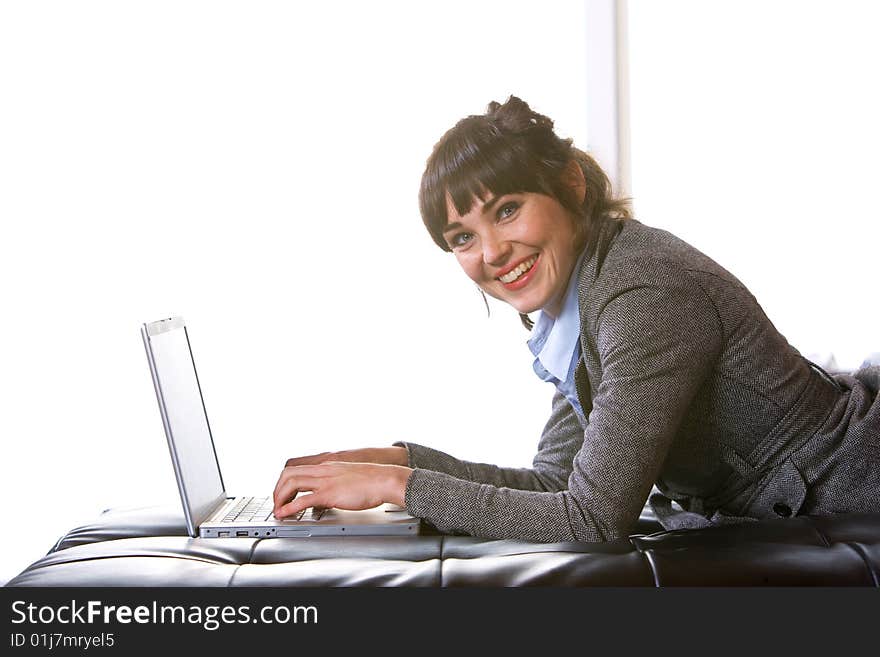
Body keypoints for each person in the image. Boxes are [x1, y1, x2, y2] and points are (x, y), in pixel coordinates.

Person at [272, 96, 880, 542]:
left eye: (507, 211)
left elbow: (591, 519)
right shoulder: (583, 298)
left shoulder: (639, 295)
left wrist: (397, 490)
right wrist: (398, 461)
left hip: (854, 498)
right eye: (463, 237)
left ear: (568, 185)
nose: (491, 254)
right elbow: (555, 484)